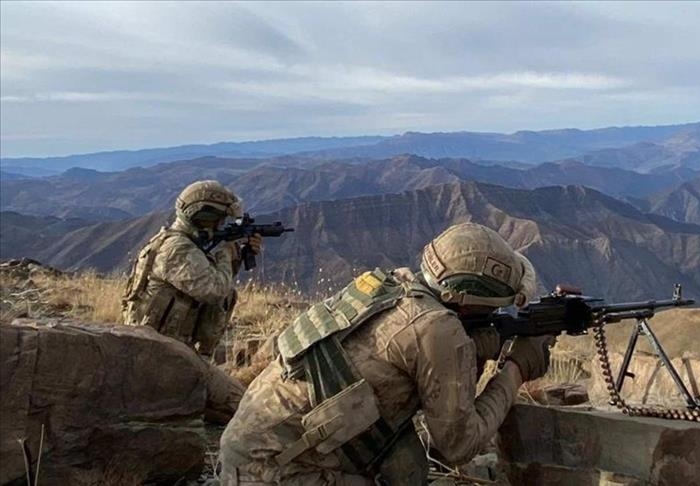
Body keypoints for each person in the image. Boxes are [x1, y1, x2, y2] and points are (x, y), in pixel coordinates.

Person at [220, 222, 553, 485]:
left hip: (245, 453)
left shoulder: (392, 285)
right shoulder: (439, 329)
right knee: (406, 470)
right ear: (469, 302)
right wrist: (516, 369)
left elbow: (390, 349)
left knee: (406, 461)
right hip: (273, 474)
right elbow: (458, 446)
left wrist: (478, 347)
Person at [122, 180, 261, 358]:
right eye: (219, 218)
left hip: (165, 344)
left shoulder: (187, 243)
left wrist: (238, 254)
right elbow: (215, 290)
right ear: (204, 216)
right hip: (154, 349)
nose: (221, 224)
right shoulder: (177, 249)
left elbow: (212, 278)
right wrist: (225, 254)